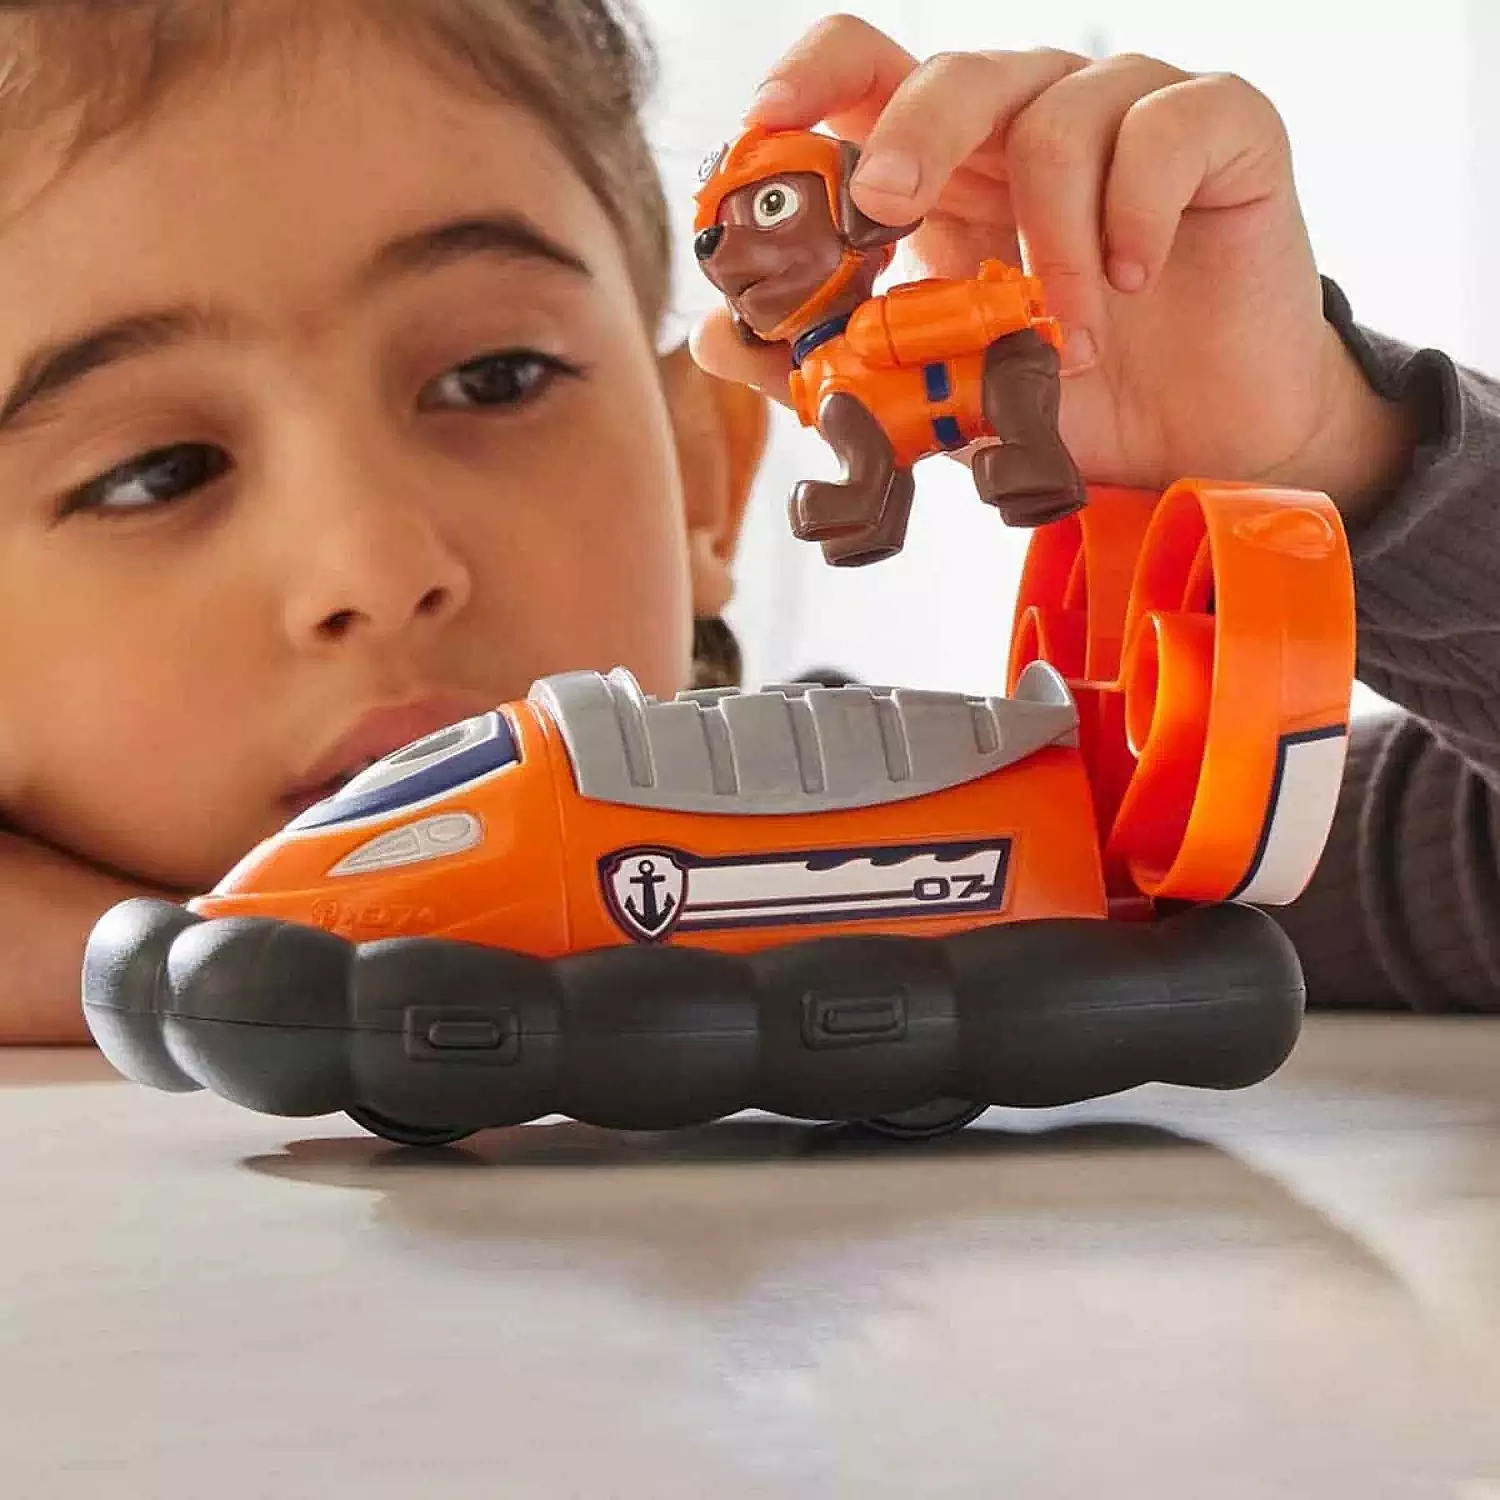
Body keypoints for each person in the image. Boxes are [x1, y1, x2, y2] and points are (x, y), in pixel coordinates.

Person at [0, 2, 1486, 1047]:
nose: (381, 570)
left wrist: (1325, 448)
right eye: (155, 472)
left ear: (705, 474)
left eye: (495, 377)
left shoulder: (934, 849)